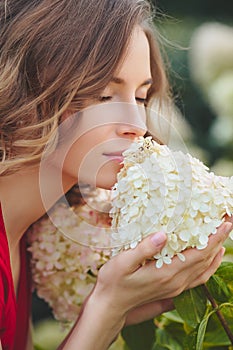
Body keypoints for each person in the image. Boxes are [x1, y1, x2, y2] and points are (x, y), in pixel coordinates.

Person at [0, 1, 232, 349]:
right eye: (104, 95)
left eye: (140, 97)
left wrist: (120, 308)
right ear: (23, 89)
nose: (137, 127)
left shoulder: (25, 234)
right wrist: (108, 306)